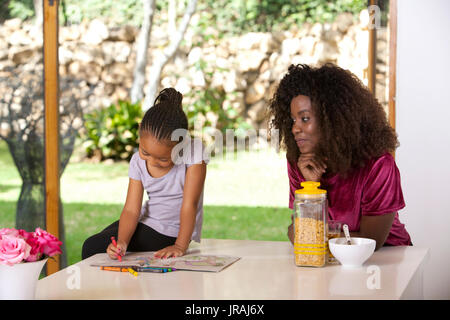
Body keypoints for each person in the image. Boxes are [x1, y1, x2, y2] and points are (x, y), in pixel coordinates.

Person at [268, 63, 411, 250]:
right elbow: (298, 231)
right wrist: (312, 186)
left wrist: (311, 234)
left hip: (389, 258)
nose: (295, 128)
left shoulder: (378, 165)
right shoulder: (300, 163)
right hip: (329, 258)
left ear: (333, 119)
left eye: (304, 119)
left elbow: (371, 241)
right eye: (293, 120)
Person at [82, 88, 208, 260]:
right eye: (145, 152)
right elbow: (131, 209)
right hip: (146, 220)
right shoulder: (137, 161)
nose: (152, 161)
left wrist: (180, 245)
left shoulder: (193, 152)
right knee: (103, 244)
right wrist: (122, 243)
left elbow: (190, 204)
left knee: (92, 247)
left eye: (163, 159)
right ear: (140, 131)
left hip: (169, 230)